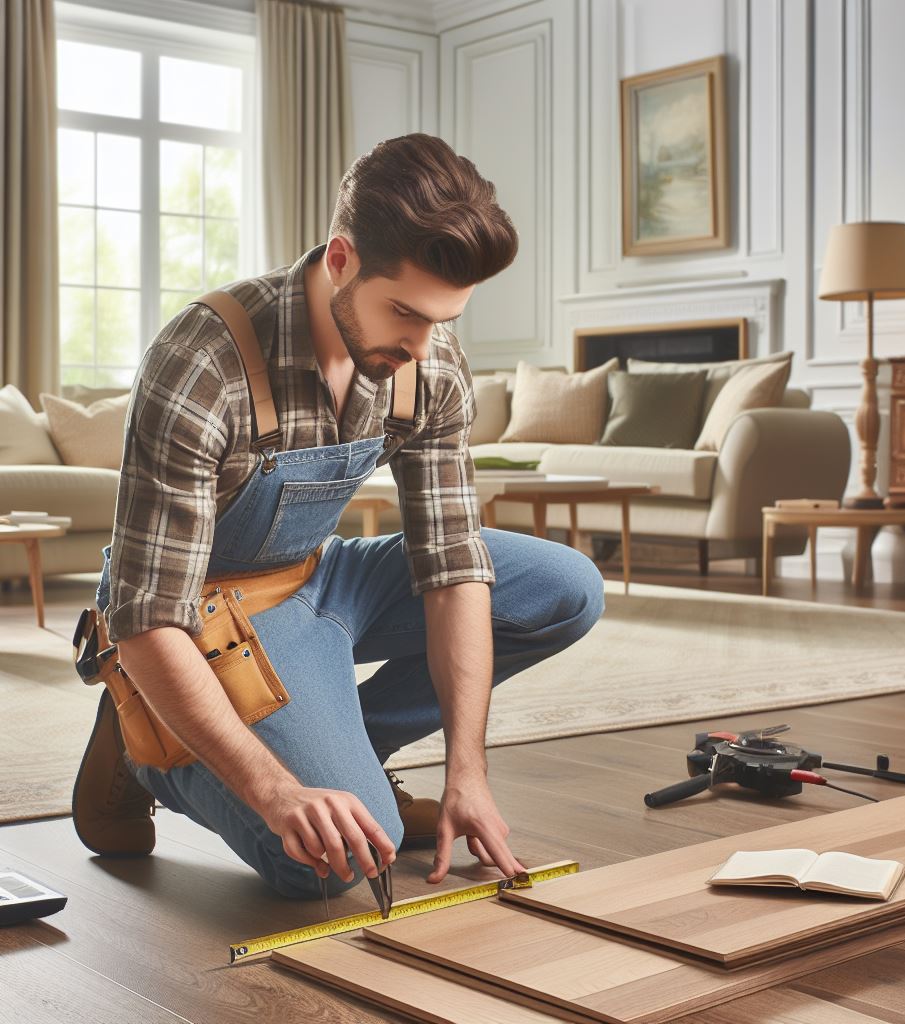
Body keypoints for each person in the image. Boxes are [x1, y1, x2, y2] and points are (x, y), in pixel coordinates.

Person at [72, 133, 605, 899]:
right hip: (191, 616)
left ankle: (344, 750)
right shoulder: (203, 363)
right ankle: (143, 745)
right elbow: (149, 617)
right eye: (406, 314)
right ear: (341, 259)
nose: (424, 345)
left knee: (566, 588)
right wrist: (278, 792)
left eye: (441, 319)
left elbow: (453, 565)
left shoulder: (429, 360)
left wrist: (467, 771)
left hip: (322, 580)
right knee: (332, 860)